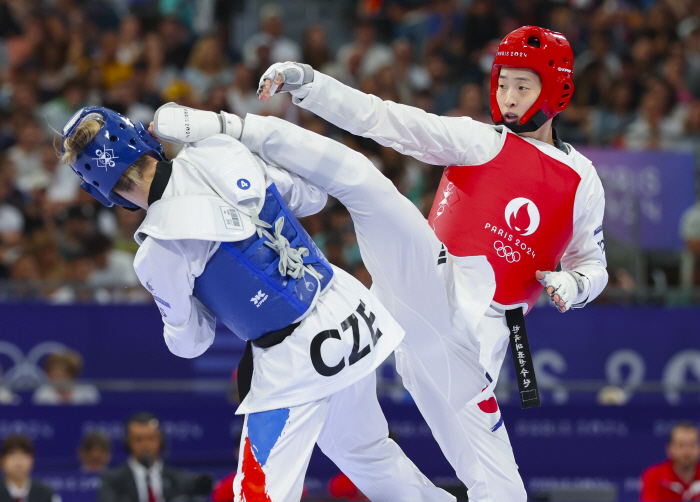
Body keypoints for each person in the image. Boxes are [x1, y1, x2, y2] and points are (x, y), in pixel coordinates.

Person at [249, 25, 607, 501]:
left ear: (557, 89)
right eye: (502, 83)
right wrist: (311, 84)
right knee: (339, 426)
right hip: (413, 292)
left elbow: (593, 264)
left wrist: (574, 284)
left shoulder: (582, 178)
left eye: (523, 86)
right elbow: (384, 119)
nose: (508, 96)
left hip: (481, 331)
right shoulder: (477, 140)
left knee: (499, 489)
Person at [60, 105, 453, 502]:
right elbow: (312, 198)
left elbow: (192, 343)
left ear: (102, 192)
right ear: (143, 138)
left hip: (298, 358)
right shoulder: (217, 147)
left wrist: (190, 302)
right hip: (348, 307)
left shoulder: (158, 252)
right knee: (365, 453)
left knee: (257, 494)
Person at [99, 412, 212, 502]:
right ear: (128, 443)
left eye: (151, 438)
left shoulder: (178, 479)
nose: (145, 445)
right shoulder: (112, 480)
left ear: (161, 441)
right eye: (139, 439)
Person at [640, 422, 700, 501]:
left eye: (692, 445)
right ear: (669, 449)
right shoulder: (654, 476)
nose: (687, 451)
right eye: (681, 445)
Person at [0, 435, 61, 502]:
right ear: (2, 460)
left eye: (24, 454)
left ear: (32, 460)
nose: (18, 460)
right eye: (12, 454)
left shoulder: (46, 494)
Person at [32, 350, 100, 405]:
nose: (58, 379)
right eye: (54, 374)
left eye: (62, 374)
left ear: (72, 374)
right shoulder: (42, 393)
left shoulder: (87, 392)